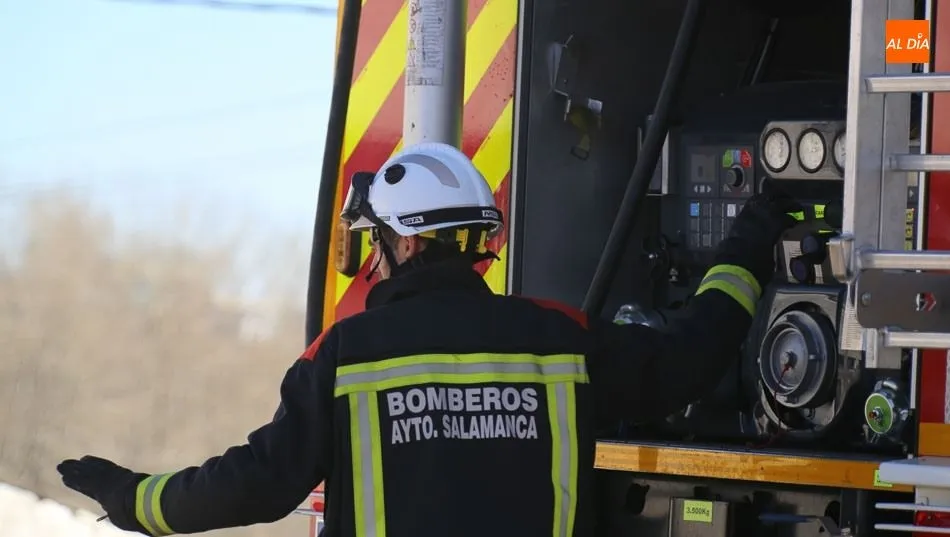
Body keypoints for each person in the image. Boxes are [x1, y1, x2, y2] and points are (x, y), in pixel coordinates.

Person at [57, 142, 799, 536]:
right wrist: (749, 242)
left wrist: (138, 500)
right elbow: (693, 357)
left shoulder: (345, 356)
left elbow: (257, 484)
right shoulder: (558, 339)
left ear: (404, 245)